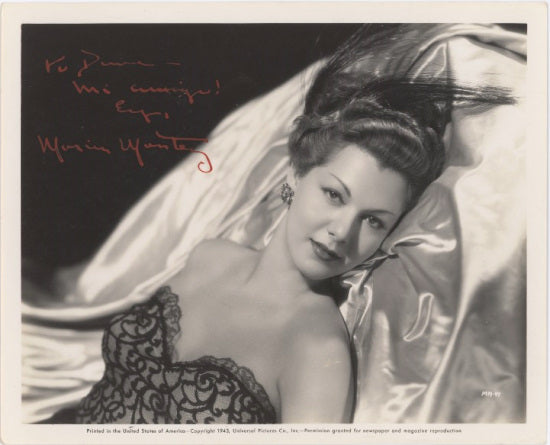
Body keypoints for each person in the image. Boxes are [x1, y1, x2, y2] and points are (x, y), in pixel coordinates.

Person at [32, 25, 516, 424]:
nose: (341, 231)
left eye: (372, 221)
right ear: (295, 176)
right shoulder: (209, 256)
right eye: (334, 195)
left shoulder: (318, 350)